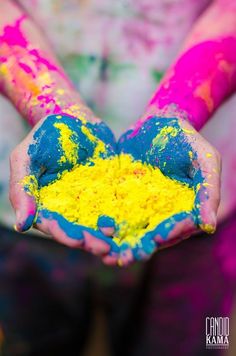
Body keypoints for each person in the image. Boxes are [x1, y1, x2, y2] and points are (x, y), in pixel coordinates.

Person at [0, 0, 235, 354]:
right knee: (32, 342)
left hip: (199, 183)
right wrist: (51, 104)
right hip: (31, 184)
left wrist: (179, 106)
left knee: (205, 339)